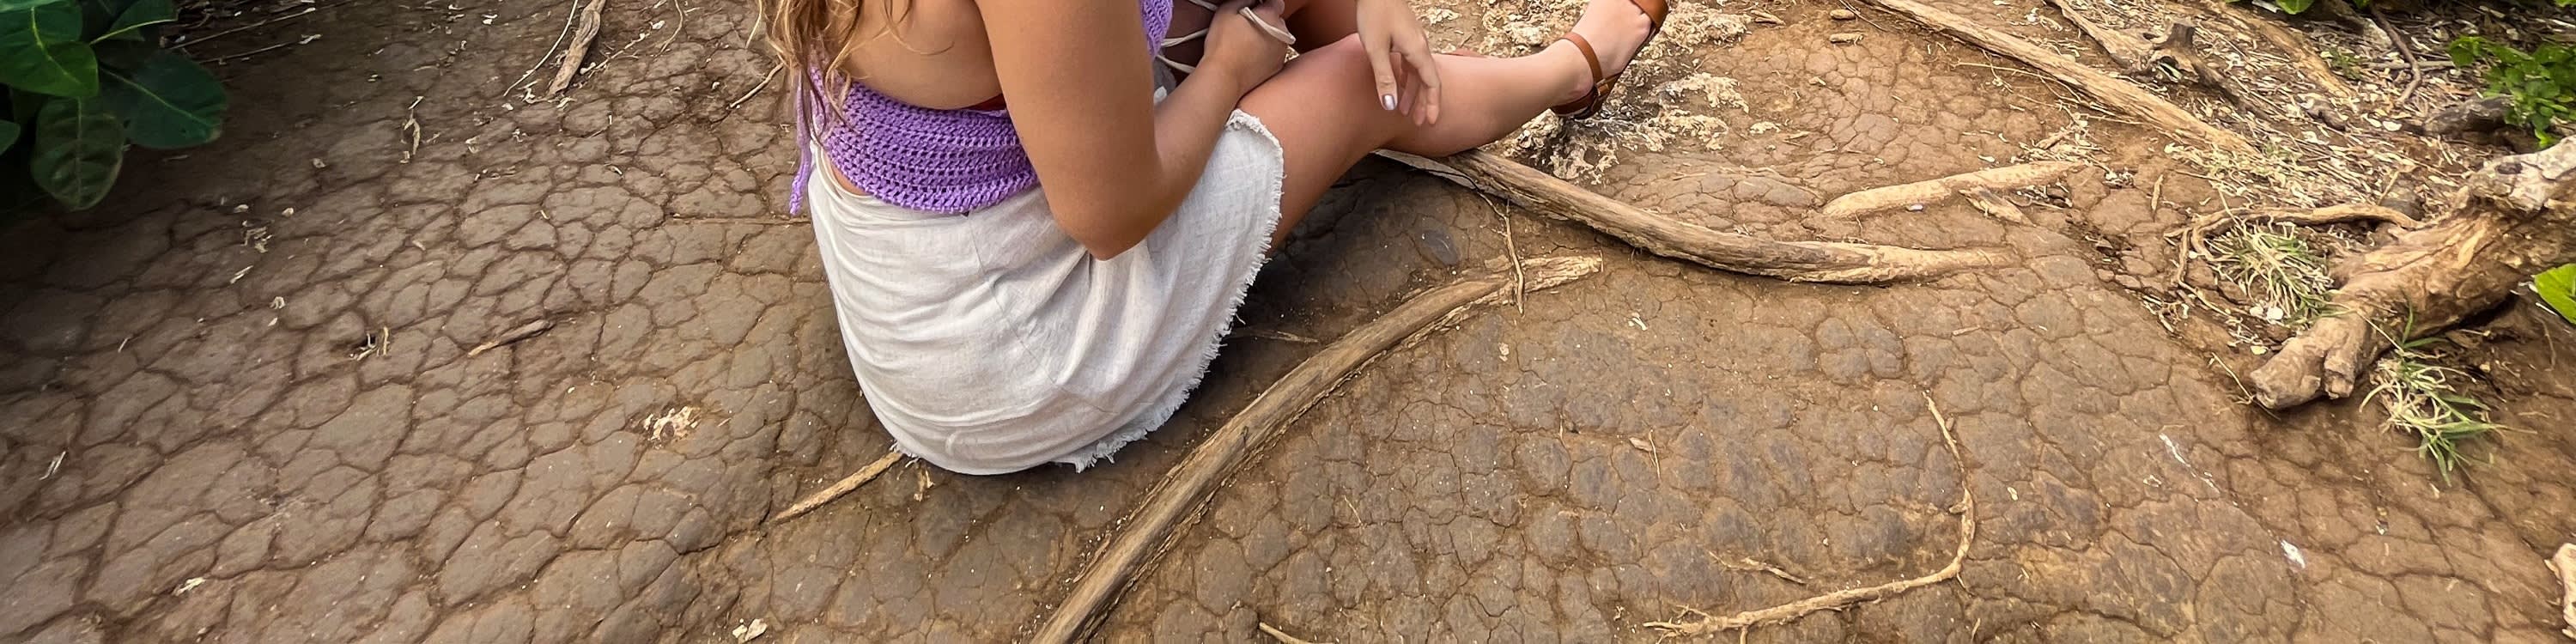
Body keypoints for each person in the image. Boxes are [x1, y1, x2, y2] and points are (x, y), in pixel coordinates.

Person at [761, 0, 1667, 474]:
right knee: (1359, 77)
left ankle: (1370, 77)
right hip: (1010, 343)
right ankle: (1573, 68)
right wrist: (1229, 70)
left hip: (941, 244)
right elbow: (1111, 217)